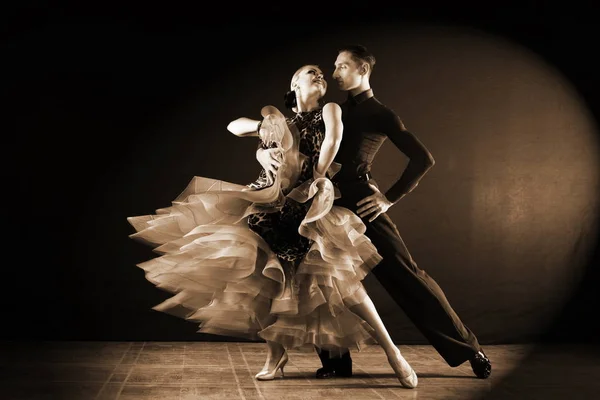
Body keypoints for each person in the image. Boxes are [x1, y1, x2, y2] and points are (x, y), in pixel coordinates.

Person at [128, 64, 418, 388]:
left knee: (344, 284)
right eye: (312, 72)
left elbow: (332, 142)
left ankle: (394, 353)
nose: (321, 75)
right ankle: (275, 355)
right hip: (269, 205)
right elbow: (233, 126)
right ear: (295, 83)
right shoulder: (281, 122)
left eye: (323, 73)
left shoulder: (330, 110)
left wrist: (315, 177)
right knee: (261, 282)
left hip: (309, 203)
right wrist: (264, 128)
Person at [256, 45, 492, 380]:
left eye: (341, 66)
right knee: (322, 281)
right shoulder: (327, 108)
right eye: (334, 67)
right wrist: (264, 156)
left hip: (361, 202)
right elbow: (287, 139)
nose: (334, 73)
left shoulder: (380, 113)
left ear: (363, 69)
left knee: (406, 276)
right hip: (323, 202)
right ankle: (336, 362)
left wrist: (388, 199)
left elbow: (423, 159)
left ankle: (469, 348)